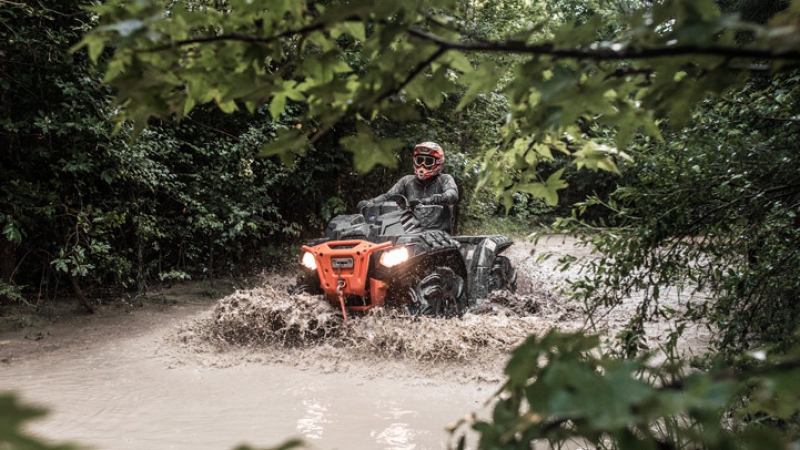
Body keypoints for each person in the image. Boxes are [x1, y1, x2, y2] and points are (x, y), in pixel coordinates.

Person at [357, 142, 458, 231]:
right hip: (409, 234)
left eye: (428, 161)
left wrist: (434, 199)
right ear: (415, 161)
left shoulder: (444, 179)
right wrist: (371, 202)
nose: (422, 165)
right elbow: (389, 196)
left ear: (438, 162)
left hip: (438, 235)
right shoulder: (407, 181)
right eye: (420, 160)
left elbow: (452, 194)